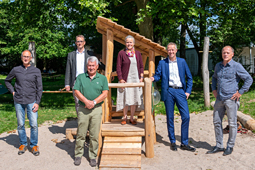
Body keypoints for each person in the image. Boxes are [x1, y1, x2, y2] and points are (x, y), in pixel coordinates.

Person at [207, 46, 253, 156]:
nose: (225, 54)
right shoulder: (218, 66)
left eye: (227, 53)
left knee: (232, 124)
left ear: (232, 54)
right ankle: (219, 146)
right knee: (217, 122)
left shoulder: (236, 66)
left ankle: (230, 146)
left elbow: (248, 79)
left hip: (231, 99)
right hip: (219, 99)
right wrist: (213, 89)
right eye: (224, 52)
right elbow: (214, 78)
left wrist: (240, 92)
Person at [150, 42, 195, 152]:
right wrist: (153, 78)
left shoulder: (182, 62)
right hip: (168, 91)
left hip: (180, 91)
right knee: (170, 117)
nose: (170, 51)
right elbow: (158, 75)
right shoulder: (162, 63)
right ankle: (173, 141)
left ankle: (184, 143)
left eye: (172, 50)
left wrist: (188, 92)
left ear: (176, 50)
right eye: (169, 50)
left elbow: (189, 78)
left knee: (186, 117)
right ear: (167, 51)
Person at [5, 50, 43, 156]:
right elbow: (7, 81)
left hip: (32, 101)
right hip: (18, 101)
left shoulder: (36, 71)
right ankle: (23, 143)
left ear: (31, 58)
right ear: (21, 57)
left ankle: (34, 145)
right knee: (21, 124)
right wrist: (12, 91)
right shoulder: (16, 69)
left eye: (28, 56)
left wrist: (37, 102)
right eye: (24, 56)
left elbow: (40, 88)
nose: (26, 58)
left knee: (34, 125)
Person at [73, 56, 109, 167]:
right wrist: (86, 101)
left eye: (93, 65)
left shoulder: (102, 78)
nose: (91, 67)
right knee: (81, 133)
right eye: (89, 65)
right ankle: (78, 155)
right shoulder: (80, 77)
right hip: (83, 108)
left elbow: (105, 93)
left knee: (94, 134)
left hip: (96, 109)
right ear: (86, 66)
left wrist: (93, 102)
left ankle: (93, 156)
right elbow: (76, 91)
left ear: (97, 66)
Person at [116, 35, 144, 125]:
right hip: (125, 79)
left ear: (134, 43)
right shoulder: (121, 53)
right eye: (127, 42)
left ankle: (132, 117)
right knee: (125, 98)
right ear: (125, 43)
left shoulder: (138, 53)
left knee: (134, 97)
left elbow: (141, 66)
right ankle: (124, 117)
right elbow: (118, 67)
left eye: (130, 42)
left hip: (135, 79)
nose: (129, 44)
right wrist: (120, 79)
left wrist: (141, 77)